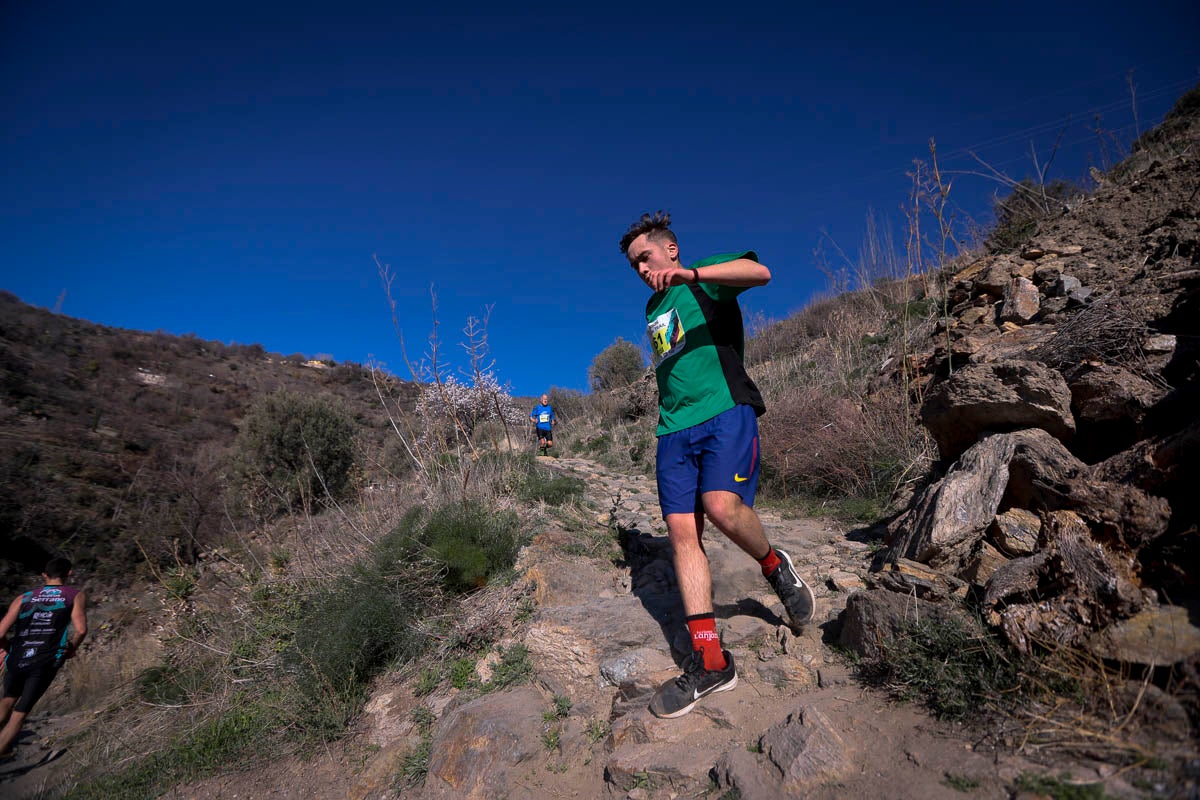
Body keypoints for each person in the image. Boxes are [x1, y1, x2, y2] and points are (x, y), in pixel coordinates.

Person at [619, 211, 815, 719]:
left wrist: (695, 276)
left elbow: (761, 274)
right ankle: (711, 663)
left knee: (722, 508)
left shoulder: (704, 276)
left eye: (646, 257)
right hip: (672, 433)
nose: (641, 268)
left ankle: (775, 566)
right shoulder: (651, 308)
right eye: (633, 264)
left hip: (726, 412)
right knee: (684, 534)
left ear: (671, 250)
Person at [0, 557, 88, 757]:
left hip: (17, 657)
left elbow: (0, 633)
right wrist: (72, 648)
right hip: (44, 660)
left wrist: (9, 648)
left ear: (44, 576)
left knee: (6, 701)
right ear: (69, 574)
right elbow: (81, 630)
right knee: (19, 714)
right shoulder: (74, 595)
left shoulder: (23, 597)